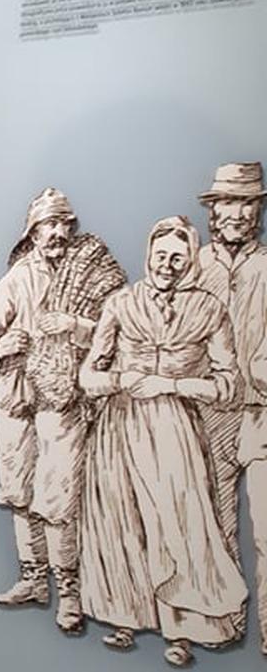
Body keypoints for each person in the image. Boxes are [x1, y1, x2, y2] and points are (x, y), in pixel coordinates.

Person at [79, 216, 247, 666]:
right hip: (118, 428)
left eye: (178, 258)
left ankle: (182, 630)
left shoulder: (208, 309)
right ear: (148, 255)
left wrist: (171, 385)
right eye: (160, 256)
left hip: (175, 429)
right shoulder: (120, 303)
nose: (167, 266)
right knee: (121, 521)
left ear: (190, 261)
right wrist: (120, 379)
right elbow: (88, 376)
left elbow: (229, 386)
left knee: (177, 526)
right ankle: (125, 617)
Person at [0, 188, 123, 633]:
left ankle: (69, 594)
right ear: (32, 232)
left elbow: (115, 335)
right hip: (16, 402)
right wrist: (2, 347)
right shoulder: (13, 282)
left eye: (63, 224)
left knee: (58, 500)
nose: (57, 232)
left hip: (64, 401)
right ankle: (34, 580)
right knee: (19, 496)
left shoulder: (90, 275)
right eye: (48, 224)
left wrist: (75, 326)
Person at [193, 163, 267, 600]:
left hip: (261, 414)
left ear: (258, 210)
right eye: (229, 203)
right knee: (215, 533)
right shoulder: (194, 264)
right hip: (210, 414)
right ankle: (225, 624)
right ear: (213, 210)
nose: (237, 213)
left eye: (247, 203)